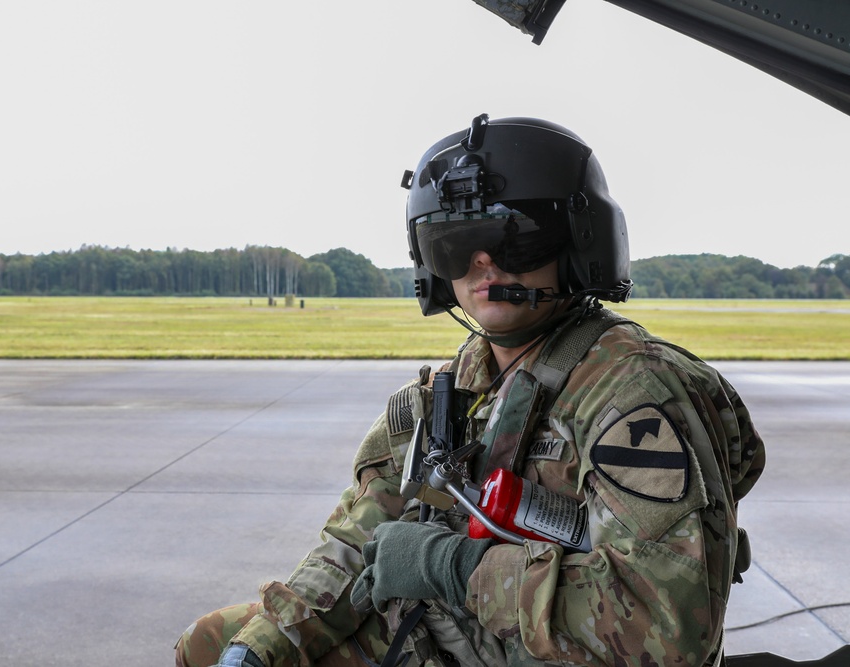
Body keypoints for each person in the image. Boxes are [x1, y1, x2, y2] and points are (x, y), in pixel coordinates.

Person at [175, 115, 765, 667]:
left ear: (577, 244)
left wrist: (457, 568)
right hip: (451, 637)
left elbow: (665, 630)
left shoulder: (633, 392)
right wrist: (261, 647)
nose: (484, 265)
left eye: (515, 242)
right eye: (455, 245)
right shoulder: (448, 392)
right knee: (210, 643)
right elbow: (360, 540)